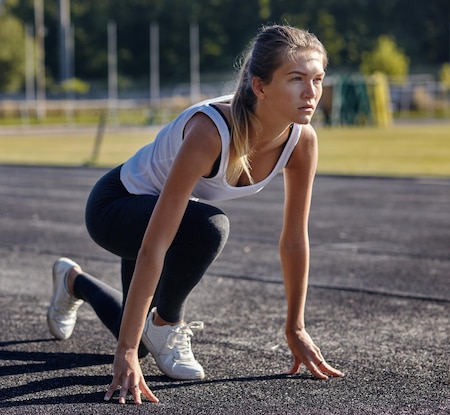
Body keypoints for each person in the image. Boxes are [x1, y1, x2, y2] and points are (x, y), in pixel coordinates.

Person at [46, 24, 345, 405]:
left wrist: (295, 327)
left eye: (317, 79)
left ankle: (73, 281)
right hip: (116, 206)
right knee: (209, 227)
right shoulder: (210, 131)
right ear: (260, 85)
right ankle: (167, 324)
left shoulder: (302, 141)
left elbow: (293, 239)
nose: (311, 92)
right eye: (296, 79)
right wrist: (120, 354)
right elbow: (155, 244)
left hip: (159, 215)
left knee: (136, 343)